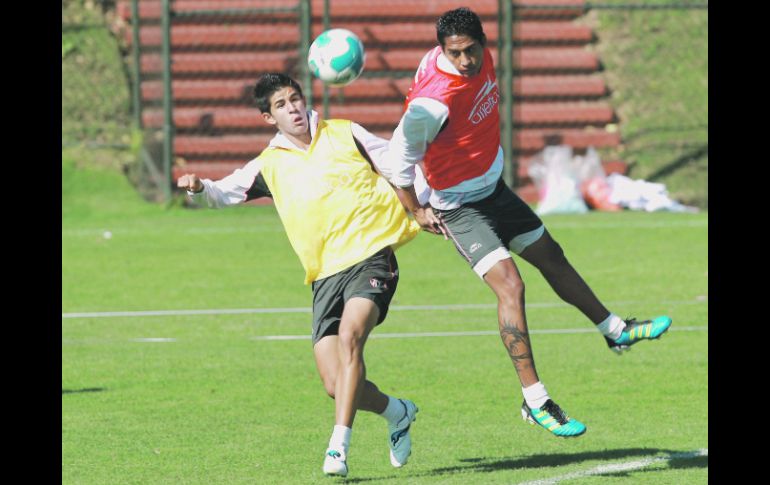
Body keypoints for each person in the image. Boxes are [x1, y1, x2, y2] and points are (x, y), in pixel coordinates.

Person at [383, 7, 672, 438]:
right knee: (511, 285)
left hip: (493, 190)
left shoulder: (481, 58)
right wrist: (416, 209)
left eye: (471, 50)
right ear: (444, 51)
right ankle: (536, 400)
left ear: (483, 41)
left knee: (552, 256)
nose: (465, 61)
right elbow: (396, 161)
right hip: (457, 206)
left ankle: (616, 330)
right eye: (455, 53)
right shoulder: (431, 103)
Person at [177, 73, 425, 477]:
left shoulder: (345, 134)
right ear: (267, 117)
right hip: (325, 275)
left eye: (295, 98)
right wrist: (198, 186)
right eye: (280, 104)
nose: (292, 107)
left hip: (372, 256)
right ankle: (398, 412)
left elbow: (399, 165)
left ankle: (337, 447)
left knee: (351, 339)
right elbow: (223, 192)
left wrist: (426, 205)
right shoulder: (270, 164)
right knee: (334, 383)